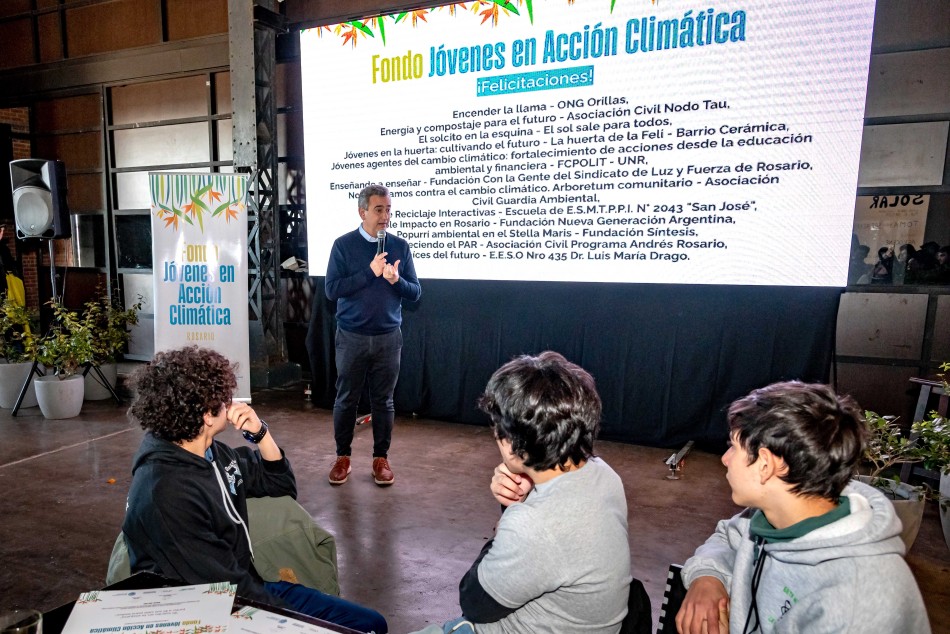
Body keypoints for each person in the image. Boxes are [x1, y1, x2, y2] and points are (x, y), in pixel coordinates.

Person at [122, 345, 387, 633]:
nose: (233, 402)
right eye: (224, 397)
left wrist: (261, 433)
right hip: (200, 611)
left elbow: (281, 485)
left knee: (371, 624)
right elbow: (224, 589)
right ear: (207, 415)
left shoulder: (212, 453)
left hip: (245, 587)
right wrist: (294, 623)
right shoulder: (165, 492)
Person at [675, 381, 930, 634]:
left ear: (766, 464)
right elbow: (727, 537)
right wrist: (707, 578)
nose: (725, 459)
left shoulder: (857, 606)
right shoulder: (771, 517)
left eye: (733, 447)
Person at [415, 351, 632, 633]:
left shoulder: (534, 524)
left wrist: (512, 515)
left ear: (510, 445)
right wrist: (524, 492)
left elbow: (474, 602)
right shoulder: (603, 475)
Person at [325, 183, 421, 486]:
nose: (385, 216)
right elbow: (332, 290)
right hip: (352, 336)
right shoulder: (343, 245)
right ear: (362, 211)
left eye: (389, 209)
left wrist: (395, 280)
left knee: (384, 402)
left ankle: (381, 458)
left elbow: (415, 292)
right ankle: (343, 457)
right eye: (379, 209)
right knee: (346, 400)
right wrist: (370, 272)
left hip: (388, 338)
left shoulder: (400, 247)